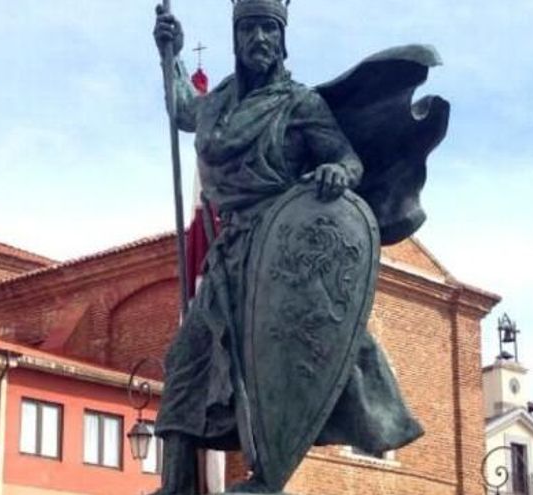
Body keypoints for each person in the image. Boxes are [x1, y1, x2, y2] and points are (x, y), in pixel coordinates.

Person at [152, 1, 423, 493]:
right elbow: (183, 110)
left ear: (282, 40)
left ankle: (267, 475)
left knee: (271, 367)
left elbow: (348, 160)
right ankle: (175, 486)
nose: (260, 39)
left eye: (269, 31)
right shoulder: (218, 102)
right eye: (251, 29)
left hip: (279, 253)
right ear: (237, 38)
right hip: (229, 253)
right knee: (186, 359)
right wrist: (168, 53)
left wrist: (338, 172)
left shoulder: (300, 104)